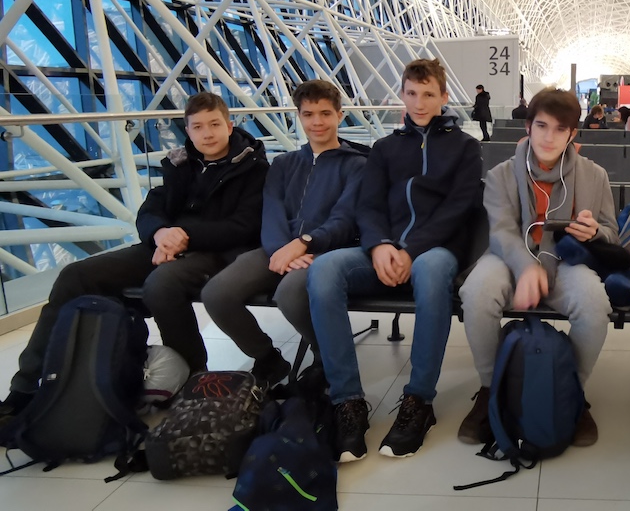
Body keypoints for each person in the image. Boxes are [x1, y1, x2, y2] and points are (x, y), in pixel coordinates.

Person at [0, 92, 269, 428]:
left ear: (229, 126)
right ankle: (26, 386)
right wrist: (160, 234)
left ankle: (192, 376)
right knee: (76, 275)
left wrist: (182, 235)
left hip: (219, 251)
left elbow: (244, 227)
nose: (207, 133)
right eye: (198, 127)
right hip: (166, 245)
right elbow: (150, 209)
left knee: (162, 284)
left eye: (214, 124)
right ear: (188, 131)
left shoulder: (254, 167)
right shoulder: (180, 164)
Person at [306, 59, 482, 462]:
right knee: (324, 269)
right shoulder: (385, 148)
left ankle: (419, 400)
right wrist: (379, 245)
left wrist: (410, 249)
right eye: (412, 93)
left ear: (444, 96)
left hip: (434, 250)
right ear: (402, 95)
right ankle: (347, 400)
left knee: (432, 271)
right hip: (384, 249)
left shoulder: (465, 147)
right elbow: (368, 206)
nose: (419, 103)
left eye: (428, 94)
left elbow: (458, 208)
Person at [458, 88, 618, 447]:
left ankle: (571, 390)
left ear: (572, 134)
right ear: (528, 127)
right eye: (542, 126)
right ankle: (489, 389)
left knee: (594, 302)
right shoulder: (501, 174)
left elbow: (611, 232)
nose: (549, 137)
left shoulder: (594, 176)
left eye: (560, 129)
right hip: (509, 258)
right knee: (477, 291)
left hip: (565, 260)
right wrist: (526, 267)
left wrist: (595, 232)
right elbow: (501, 232)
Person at [201, 81, 366, 387]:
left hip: (325, 250)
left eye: (325, 113)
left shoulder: (357, 165)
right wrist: (282, 250)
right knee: (216, 293)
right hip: (278, 249)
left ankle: (325, 358)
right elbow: (272, 212)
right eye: (308, 114)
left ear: (340, 116)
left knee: (290, 293)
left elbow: (345, 219)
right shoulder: (283, 164)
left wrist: (304, 244)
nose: (317, 122)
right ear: (298, 116)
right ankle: (267, 358)